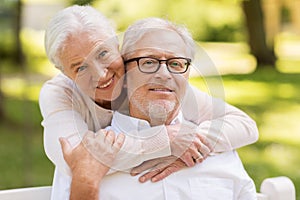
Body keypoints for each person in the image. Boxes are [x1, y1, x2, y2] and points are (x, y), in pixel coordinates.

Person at [39, 5, 258, 199]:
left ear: (119, 50)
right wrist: (164, 142)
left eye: (103, 53)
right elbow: (78, 161)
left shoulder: (168, 85)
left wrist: (192, 142)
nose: (101, 74)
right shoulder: (60, 94)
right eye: (80, 67)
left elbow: (245, 125)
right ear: (66, 73)